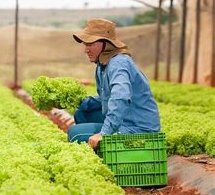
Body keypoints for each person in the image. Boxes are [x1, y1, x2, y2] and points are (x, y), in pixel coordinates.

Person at [68, 18, 161, 149]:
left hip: (138, 129)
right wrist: (73, 101)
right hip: (125, 119)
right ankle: (104, 153)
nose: (86, 50)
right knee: (81, 113)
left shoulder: (118, 63)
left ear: (106, 43)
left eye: (90, 44)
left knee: (75, 133)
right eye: (85, 44)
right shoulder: (102, 64)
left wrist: (104, 133)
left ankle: (105, 156)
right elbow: (103, 99)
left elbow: (120, 97)